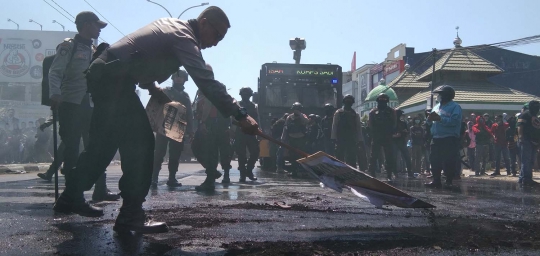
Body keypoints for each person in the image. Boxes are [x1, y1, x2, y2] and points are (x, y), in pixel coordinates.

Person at [53, 6, 259, 234]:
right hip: (114, 81)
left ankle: (70, 197)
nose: (217, 42)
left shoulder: (173, 26)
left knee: (102, 147)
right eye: (217, 35)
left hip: (107, 75)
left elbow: (139, 56)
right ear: (204, 23)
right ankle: (131, 215)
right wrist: (240, 114)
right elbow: (205, 80)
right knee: (141, 146)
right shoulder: (184, 36)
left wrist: (152, 87)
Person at [47, 11, 118, 202]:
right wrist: (55, 93)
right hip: (71, 102)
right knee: (71, 149)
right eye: (97, 26)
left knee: (96, 147)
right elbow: (55, 72)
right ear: (86, 25)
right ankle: (72, 195)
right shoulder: (68, 46)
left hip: (91, 104)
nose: (99, 30)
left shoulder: (95, 49)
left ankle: (100, 189)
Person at [151, 70, 194, 189]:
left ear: (185, 79)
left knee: (175, 154)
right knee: (159, 153)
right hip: (163, 125)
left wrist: (190, 130)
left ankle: (172, 177)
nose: (178, 79)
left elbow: (189, 114)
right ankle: (154, 177)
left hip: (178, 127)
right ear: (173, 78)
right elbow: (155, 106)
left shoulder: (185, 96)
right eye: (176, 76)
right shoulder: (165, 91)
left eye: (181, 77)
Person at [424, 85, 462, 188]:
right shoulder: (436, 107)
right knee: (434, 160)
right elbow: (430, 121)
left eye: (440, 94)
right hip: (436, 138)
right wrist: (429, 118)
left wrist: (440, 119)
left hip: (449, 138)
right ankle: (436, 180)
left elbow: (454, 122)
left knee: (448, 160)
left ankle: (449, 181)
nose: (438, 97)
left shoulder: (455, 107)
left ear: (446, 95)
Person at [367, 93, 397, 181]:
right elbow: (370, 124)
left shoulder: (391, 111)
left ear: (387, 101)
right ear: (378, 101)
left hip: (387, 136)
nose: (382, 102)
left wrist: (390, 132)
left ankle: (389, 175)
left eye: (384, 100)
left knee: (389, 156)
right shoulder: (373, 112)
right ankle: (372, 174)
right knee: (373, 156)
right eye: (381, 100)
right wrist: (373, 134)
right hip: (377, 136)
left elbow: (394, 124)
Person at [233, 87, 259, 182]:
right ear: (241, 95)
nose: (245, 96)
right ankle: (242, 174)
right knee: (241, 155)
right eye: (244, 94)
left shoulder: (254, 106)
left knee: (255, 152)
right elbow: (233, 119)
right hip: (240, 132)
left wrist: (258, 131)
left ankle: (249, 170)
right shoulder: (237, 105)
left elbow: (257, 119)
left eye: (247, 94)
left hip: (251, 133)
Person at [332, 95, 363, 168]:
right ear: (344, 102)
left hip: (351, 139)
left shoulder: (355, 114)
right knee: (339, 157)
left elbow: (358, 128)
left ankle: (352, 171)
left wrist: (360, 140)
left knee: (352, 157)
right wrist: (333, 138)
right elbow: (334, 126)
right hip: (341, 138)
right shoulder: (338, 113)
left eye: (350, 102)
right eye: (347, 101)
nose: (348, 103)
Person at [281, 102, 308, 176]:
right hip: (291, 138)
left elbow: (307, 122)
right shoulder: (289, 117)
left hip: (300, 138)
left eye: (297, 109)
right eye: (294, 109)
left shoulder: (303, 116)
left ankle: (301, 169)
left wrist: (300, 115)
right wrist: (283, 139)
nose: (295, 111)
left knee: (300, 154)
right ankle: (294, 170)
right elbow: (285, 128)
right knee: (292, 155)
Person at [517, 100, 540, 186]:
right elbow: (520, 126)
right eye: (536, 106)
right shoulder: (525, 114)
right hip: (526, 140)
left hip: (535, 141)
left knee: (531, 161)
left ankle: (522, 178)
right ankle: (527, 179)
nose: (537, 108)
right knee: (526, 160)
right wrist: (521, 137)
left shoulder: (536, 116)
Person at [393, 109, 413, 178]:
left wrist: (403, 133)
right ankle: (395, 173)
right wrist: (396, 135)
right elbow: (389, 133)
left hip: (402, 142)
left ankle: (410, 172)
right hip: (395, 142)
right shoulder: (392, 123)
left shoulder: (403, 123)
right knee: (395, 158)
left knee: (407, 157)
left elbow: (407, 131)